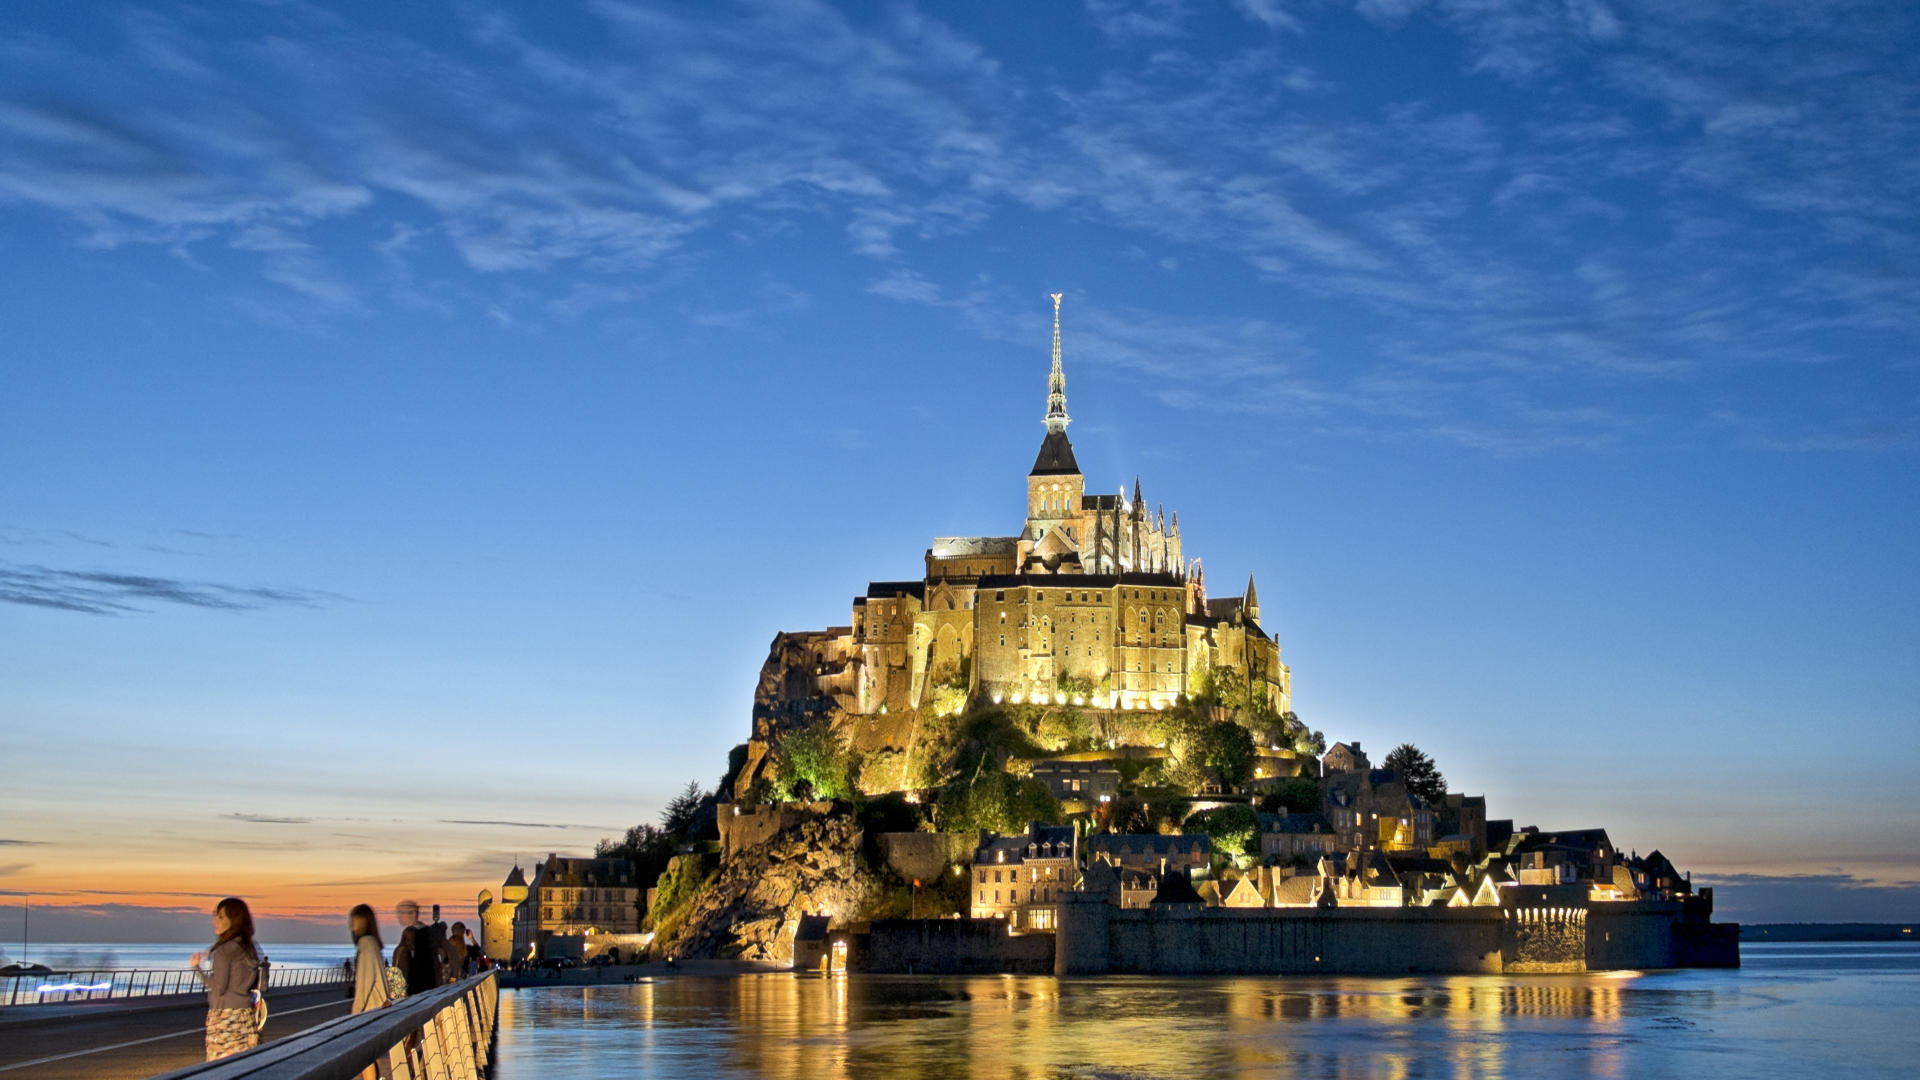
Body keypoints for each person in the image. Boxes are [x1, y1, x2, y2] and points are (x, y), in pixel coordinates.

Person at [189, 897, 261, 1061]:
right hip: (245, 1016)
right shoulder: (249, 947)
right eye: (215, 915)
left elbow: (219, 987)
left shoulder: (224, 951)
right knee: (244, 1064)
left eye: (221, 916)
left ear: (234, 920)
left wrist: (196, 968)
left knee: (219, 1067)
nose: (215, 920)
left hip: (225, 1019)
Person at [390, 899, 441, 996]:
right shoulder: (429, 934)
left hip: (413, 993)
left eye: (401, 912)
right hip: (428, 991)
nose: (399, 917)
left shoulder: (408, 941)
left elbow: (398, 972)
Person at [349, 904, 390, 1013]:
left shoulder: (367, 943)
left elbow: (365, 985)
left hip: (372, 1010)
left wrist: (354, 1014)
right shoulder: (372, 943)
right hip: (379, 1009)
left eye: (355, 919)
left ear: (365, 921)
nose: (352, 924)